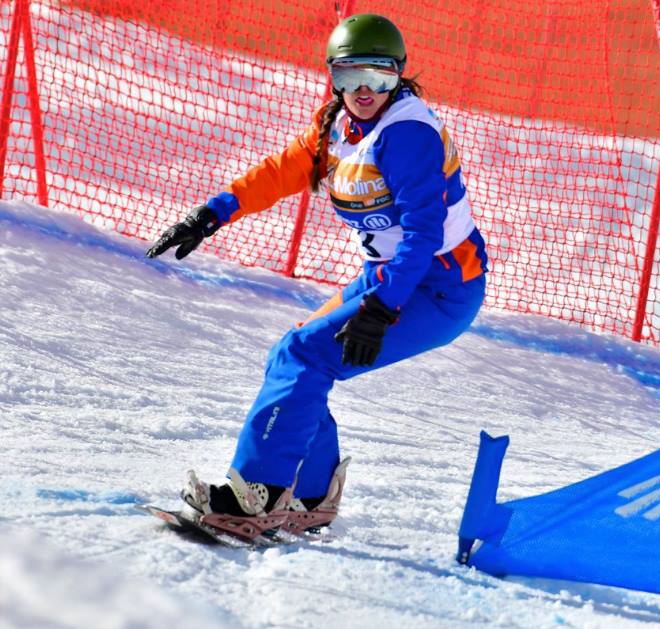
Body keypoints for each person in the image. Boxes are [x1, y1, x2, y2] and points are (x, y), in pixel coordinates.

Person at [146, 13, 488, 537]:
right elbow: (283, 169)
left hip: (439, 286)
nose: (364, 90)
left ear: (399, 75)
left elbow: (423, 233)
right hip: (390, 276)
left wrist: (382, 308)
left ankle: (253, 499)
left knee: (304, 355)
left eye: (378, 76)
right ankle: (310, 496)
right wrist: (210, 215)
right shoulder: (340, 126)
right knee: (294, 355)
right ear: (332, 76)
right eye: (350, 75)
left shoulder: (407, 135)